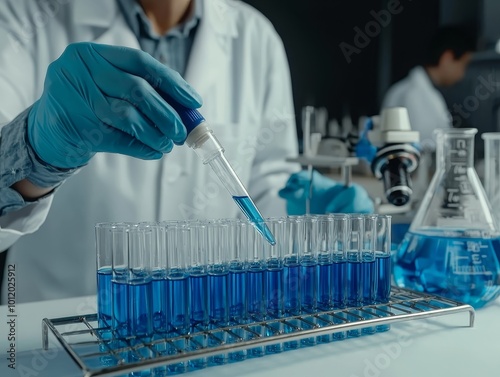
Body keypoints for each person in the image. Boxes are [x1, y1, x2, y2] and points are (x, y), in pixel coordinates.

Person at [0, 0, 371, 304]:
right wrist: (35, 149)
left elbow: (261, 189)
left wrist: (300, 213)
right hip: (54, 329)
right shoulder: (25, 14)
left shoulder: (255, 37)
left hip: (203, 327)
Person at [381, 26, 476, 149]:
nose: (462, 75)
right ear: (447, 58)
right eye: (464, 65)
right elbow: (425, 146)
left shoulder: (416, 90)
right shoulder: (415, 94)